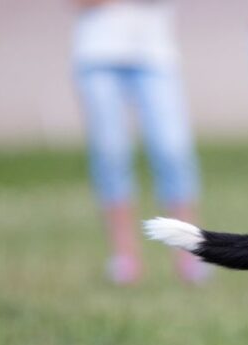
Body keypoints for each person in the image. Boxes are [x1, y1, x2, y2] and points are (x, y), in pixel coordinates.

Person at [72, 0, 207, 284]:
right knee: (111, 154)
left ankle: (189, 253)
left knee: (172, 150)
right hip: (97, 54)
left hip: (155, 54)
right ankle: (124, 257)